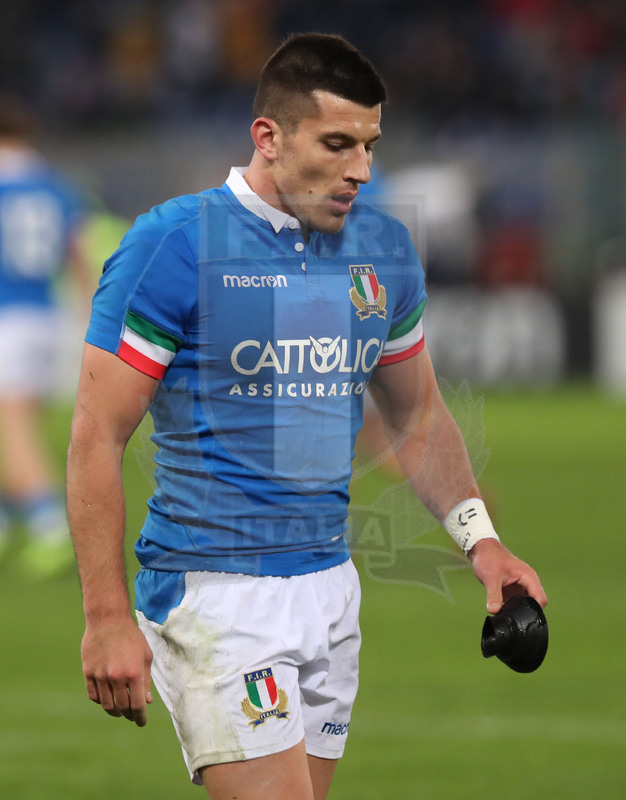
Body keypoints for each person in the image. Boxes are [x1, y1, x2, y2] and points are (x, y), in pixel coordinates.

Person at [66, 33, 547, 800]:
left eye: (369, 144)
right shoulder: (174, 245)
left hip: (328, 586)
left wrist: (483, 544)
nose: (360, 168)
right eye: (336, 143)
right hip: (216, 591)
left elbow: (416, 414)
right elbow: (97, 433)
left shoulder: (382, 249)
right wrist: (105, 616)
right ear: (269, 136)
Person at [0, 95, 91, 578]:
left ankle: (49, 526)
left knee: (13, 429)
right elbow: (77, 254)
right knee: (17, 422)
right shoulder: (55, 185)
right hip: (44, 315)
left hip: (5, 316)